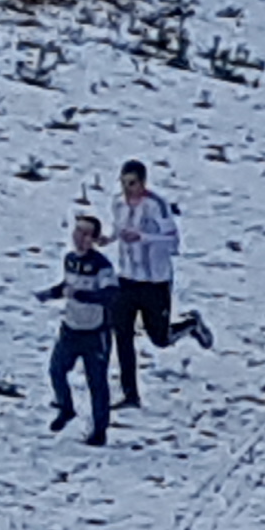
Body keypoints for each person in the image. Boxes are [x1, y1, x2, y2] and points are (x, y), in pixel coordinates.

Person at [106, 160, 214, 406]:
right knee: (122, 335)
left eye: (132, 183)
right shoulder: (117, 203)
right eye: (123, 183)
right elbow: (118, 229)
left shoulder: (157, 205)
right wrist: (108, 238)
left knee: (159, 338)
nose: (127, 188)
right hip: (126, 278)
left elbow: (173, 242)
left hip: (155, 281)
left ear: (143, 183)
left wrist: (143, 238)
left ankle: (191, 325)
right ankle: (130, 393)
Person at [42, 212, 118, 444]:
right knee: (56, 370)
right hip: (71, 328)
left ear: (94, 239)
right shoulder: (70, 260)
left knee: (97, 383)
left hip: (95, 333)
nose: (80, 237)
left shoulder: (102, 265)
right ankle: (66, 407)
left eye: (86, 234)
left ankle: (100, 430)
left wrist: (82, 295)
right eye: (78, 231)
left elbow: (111, 294)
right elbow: (67, 286)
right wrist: (51, 293)